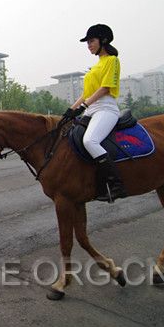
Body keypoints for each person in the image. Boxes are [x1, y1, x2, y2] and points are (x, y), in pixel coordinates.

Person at [63, 23, 127, 203]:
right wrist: (71, 110)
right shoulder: (95, 67)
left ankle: (117, 185)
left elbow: (106, 88)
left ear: (103, 40)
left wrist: (83, 106)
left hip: (106, 109)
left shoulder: (112, 61)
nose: (89, 45)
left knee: (89, 140)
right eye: (87, 42)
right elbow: (85, 94)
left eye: (91, 41)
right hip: (91, 109)